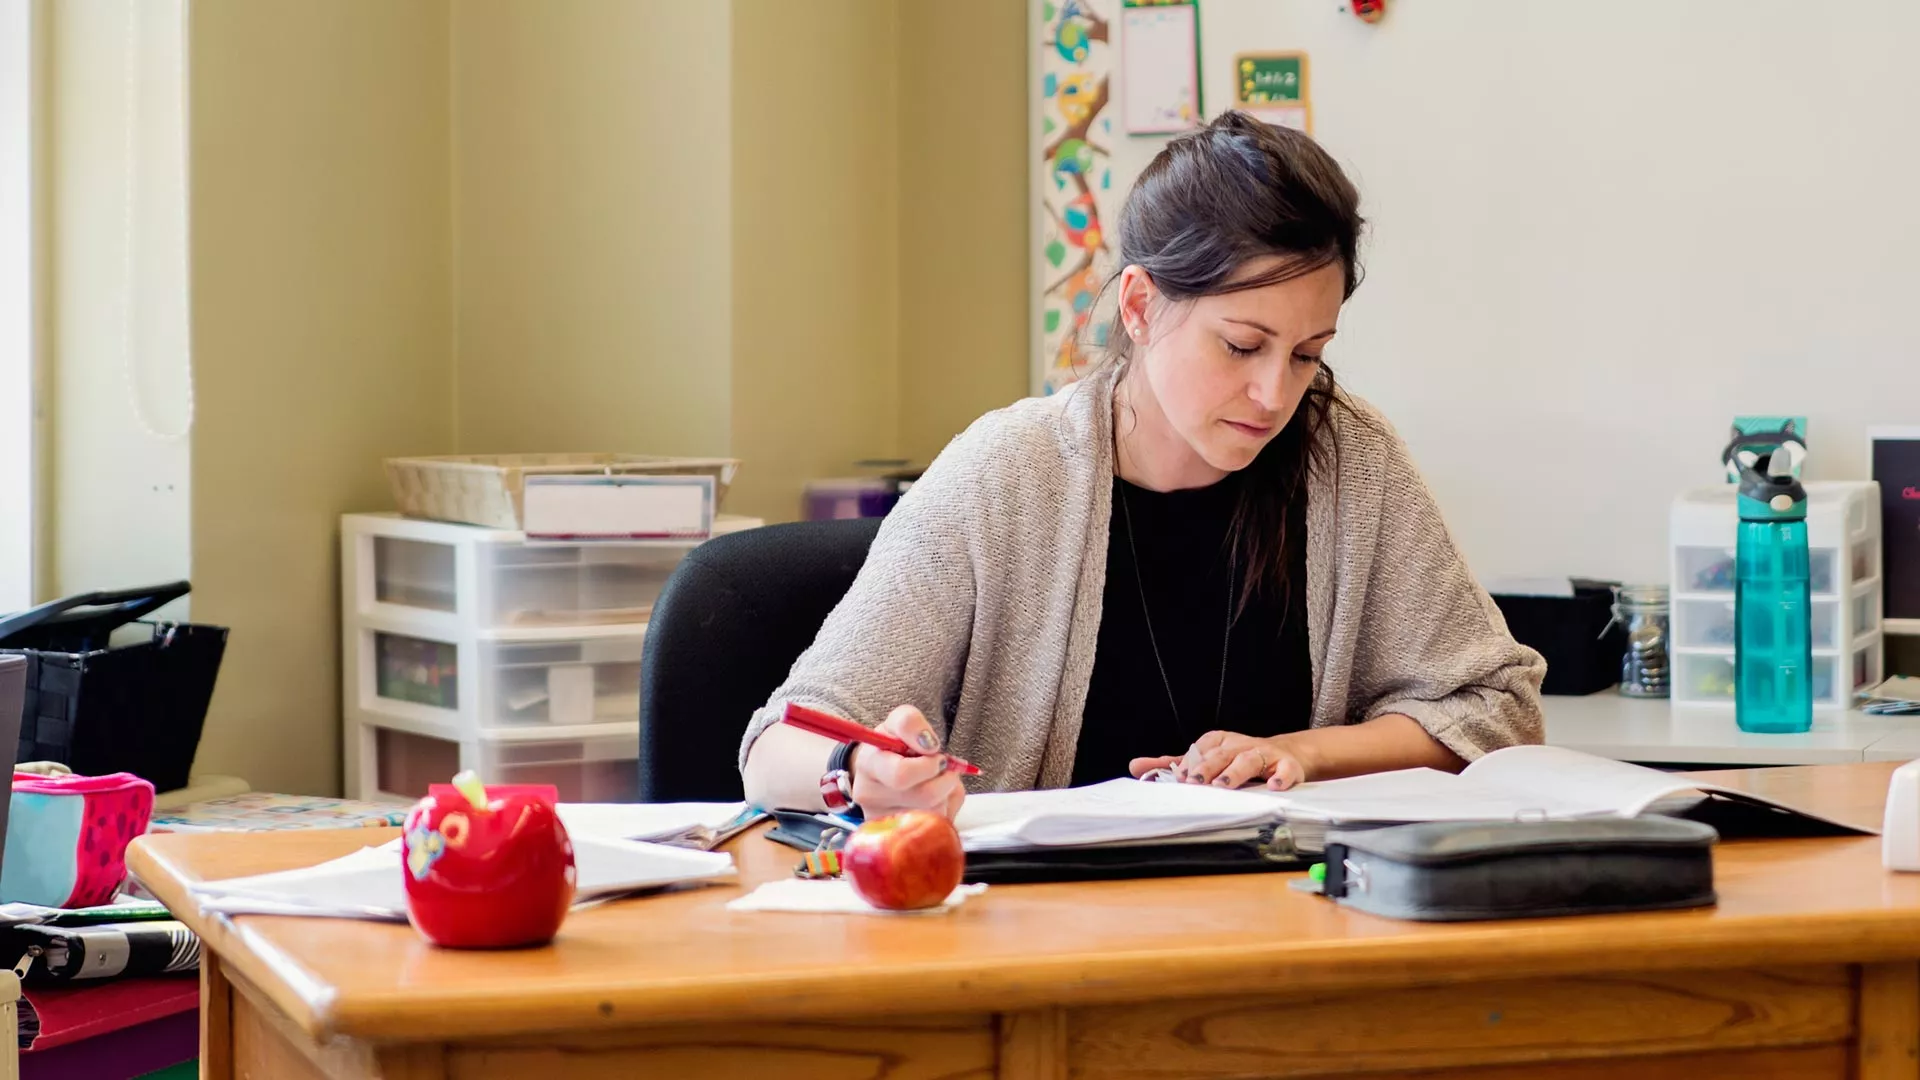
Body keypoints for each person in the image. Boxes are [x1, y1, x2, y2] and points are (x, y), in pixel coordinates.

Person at [739, 111, 1545, 821]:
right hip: (1044, 944)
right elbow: (779, 749)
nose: (1274, 394)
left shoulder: (1351, 461)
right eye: (1240, 345)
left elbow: (1494, 709)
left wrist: (1304, 752)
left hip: (1288, 933)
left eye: (1308, 354)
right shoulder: (1005, 476)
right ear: (1139, 305)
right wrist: (860, 772)